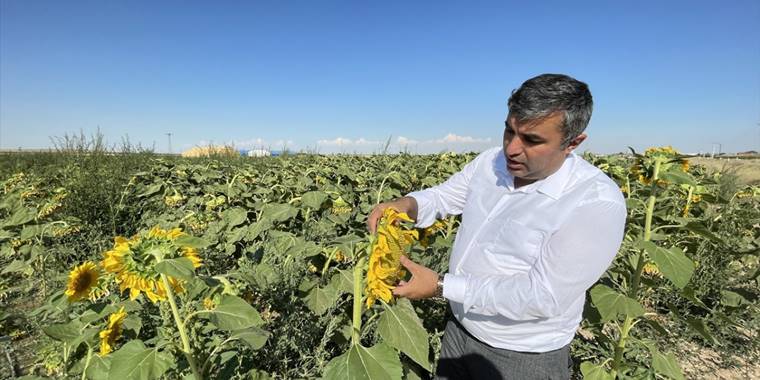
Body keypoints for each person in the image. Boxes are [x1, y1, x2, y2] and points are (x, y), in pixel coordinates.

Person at [366, 73, 626, 379]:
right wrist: (407, 205)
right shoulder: (492, 162)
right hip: (459, 331)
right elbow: (445, 196)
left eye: (531, 140)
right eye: (508, 131)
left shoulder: (593, 202)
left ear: (573, 143)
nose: (512, 148)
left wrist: (440, 287)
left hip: (521, 356)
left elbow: (542, 297)